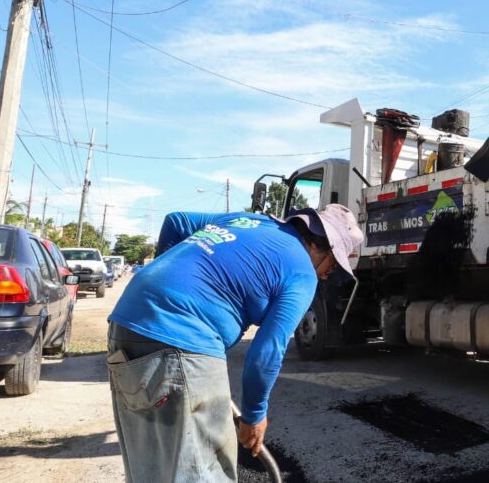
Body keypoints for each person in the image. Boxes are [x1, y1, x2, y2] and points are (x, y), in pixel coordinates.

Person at [106, 205, 364, 482]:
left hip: (126, 322)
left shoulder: (249, 220)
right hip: (185, 337)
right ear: (318, 246)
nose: (327, 275)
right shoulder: (302, 273)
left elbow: (176, 221)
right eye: (333, 265)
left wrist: (164, 274)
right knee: (205, 469)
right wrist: (254, 416)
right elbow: (267, 352)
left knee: (151, 464)